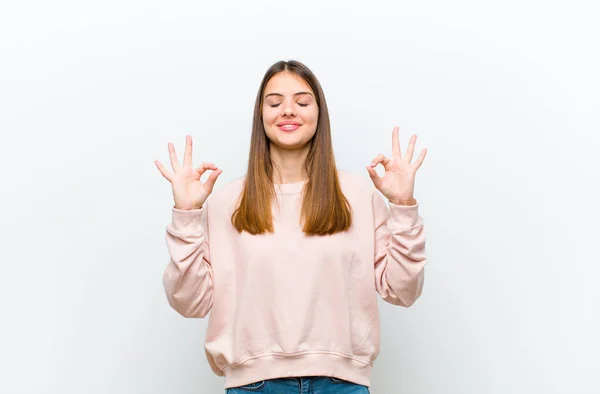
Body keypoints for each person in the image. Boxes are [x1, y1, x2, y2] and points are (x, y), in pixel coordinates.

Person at [154, 60, 428, 393]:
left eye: (301, 102)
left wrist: (402, 206)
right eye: (274, 103)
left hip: (342, 385)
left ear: (319, 114)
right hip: (254, 386)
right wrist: (186, 212)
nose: (287, 111)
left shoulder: (357, 196)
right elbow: (188, 301)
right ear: (261, 115)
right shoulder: (226, 202)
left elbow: (403, 290)